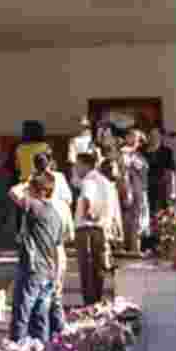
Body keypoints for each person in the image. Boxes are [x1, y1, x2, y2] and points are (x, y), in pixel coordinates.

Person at [7, 171, 64, 343]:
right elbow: (58, 247)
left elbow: (13, 192)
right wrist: (57, 275)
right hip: (49, 271)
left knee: (22, 312)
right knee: (41, 317)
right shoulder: (56, 214)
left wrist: (28, 181)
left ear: (36, 190)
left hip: (33, 269)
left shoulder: (34, 207)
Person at [34, 152, 73, 337]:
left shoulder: (34, 184)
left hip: (45, 243)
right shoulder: (57, 181)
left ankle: (50, 333)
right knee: (53, 292)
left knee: (47, 293)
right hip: (53, 241)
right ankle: (56, 332)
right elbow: (68, 200)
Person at [72, 152, 117, 306]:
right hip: (101, 229)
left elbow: (87, 198)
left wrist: (88, 215)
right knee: (98, 269)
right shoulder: (105, 181)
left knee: (87, 270)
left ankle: (89, 305)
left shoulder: (89, 180)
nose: (76, 169)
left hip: (86, 230)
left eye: (77, 166)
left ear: (85, 165)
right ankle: (96, 302)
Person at [13, 120, 51, 232]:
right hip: (41, 183)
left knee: (23, 212)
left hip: (24, 184)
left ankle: (21, 236)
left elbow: (17, 167)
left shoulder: (20, 148)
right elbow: (51, 166)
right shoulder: (45, 147)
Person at [143, 127, 176, 252]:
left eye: (156, 135)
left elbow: (171, 172)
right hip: (145, 188)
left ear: (161, 137)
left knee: (161, 214)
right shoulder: (142, 151)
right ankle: (148, 244)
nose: (153, 137)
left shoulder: (166, 151)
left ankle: (161, 244)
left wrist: (172, 191)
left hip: (161, 188)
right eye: (151, 134)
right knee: (147, 215)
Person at [120, 129, 150, 255]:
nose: (131, 139)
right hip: (128, 188)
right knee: (128, 217)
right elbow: (124, 170)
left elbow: (143, 171)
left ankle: (135, 248)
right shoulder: (125, 153)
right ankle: (129, 247)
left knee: (138, 218)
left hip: (139, 189)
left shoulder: (139, 155)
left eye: (135, 137)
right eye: (130, 136)